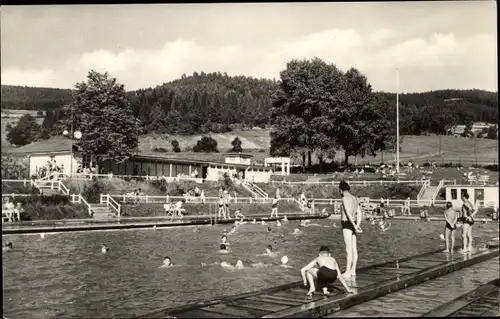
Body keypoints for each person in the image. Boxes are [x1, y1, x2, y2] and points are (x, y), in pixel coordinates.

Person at [339, 181, 362, 278]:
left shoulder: (344, 198)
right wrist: (357, 225)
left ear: (340, 190)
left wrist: (353, 224)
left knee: (348, 249)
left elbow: (348, 212)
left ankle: (347, 271)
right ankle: (353, 270)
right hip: (354, 224)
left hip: (347, 224)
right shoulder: (355, 198)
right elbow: (360, 213)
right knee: (354, 248)